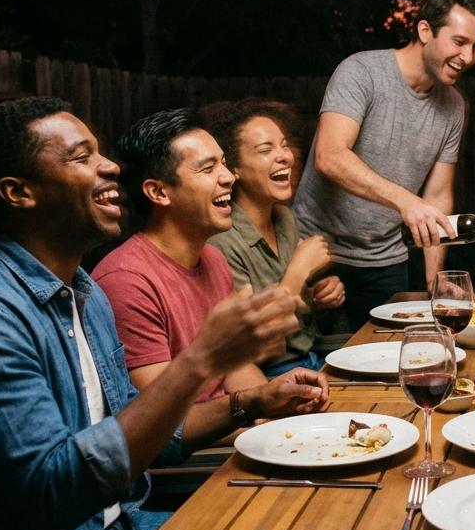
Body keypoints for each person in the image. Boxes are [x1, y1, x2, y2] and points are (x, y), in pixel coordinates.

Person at [0, 97, 327, 530]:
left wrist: (253, 402)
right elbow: (52, 492)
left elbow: (150, 434)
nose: (111, 167)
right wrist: (202, 360)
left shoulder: (83, 293)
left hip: (119, 529)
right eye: (82, 157)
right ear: (18, 192)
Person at [94, 108, 328, 402]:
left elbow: (235, 369)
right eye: (208, 169)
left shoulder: (213, 259)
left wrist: (272, 401)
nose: (228, 177)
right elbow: (162, 417)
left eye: (224, 164)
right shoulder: (127, 282)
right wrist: (248, 414)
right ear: (159, 192)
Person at [293, 0, 475, 328]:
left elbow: (437, 196)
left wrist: (434, 281)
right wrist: (405, 201)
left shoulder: (455, 105)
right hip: (317, 252)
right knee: (318, 357)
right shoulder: (361, 71)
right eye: (459, 42)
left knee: (392, 351)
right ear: (425, 31)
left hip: (385, 260)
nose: (468, 56)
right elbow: (329, 155)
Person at [202, 99, 346, 375]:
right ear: (234, 169)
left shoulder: (285, 218)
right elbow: (252, 346)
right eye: (266, 150)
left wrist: (316, 298)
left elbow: (296, 315)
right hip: (270, 375)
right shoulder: (221, 239)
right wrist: (300, 268)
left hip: (311, 356)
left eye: (284, 145)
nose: (285, 156)